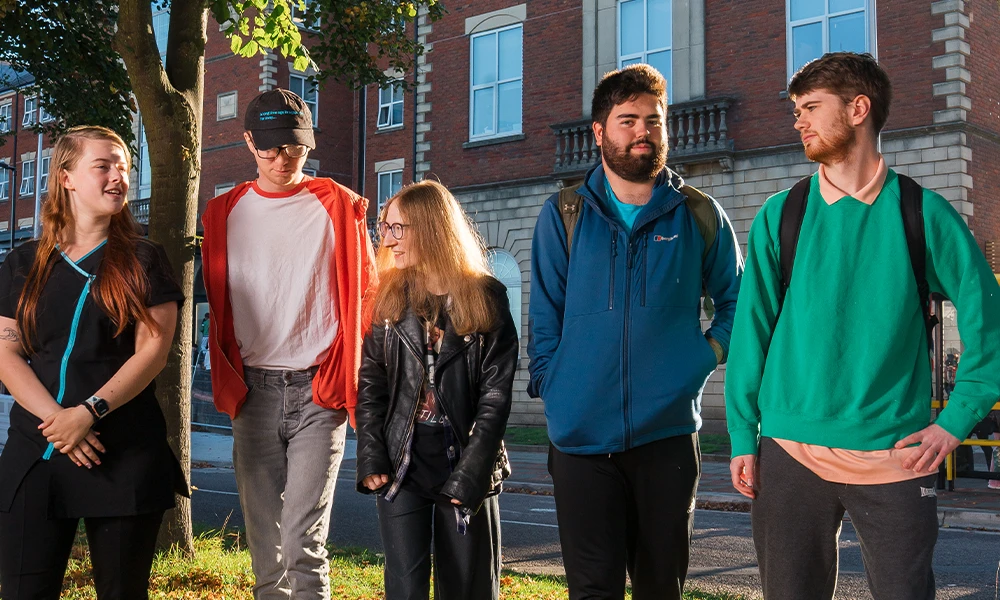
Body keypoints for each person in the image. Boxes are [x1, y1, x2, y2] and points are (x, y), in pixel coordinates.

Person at [725, 52, 1000, 600]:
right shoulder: (782, 215)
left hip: (897, 456)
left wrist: (958, 420)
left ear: (858, 108)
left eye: (809, 108)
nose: (797, 120)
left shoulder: (923, 214)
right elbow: (751, 331)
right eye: (795, 110)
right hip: (789, 450)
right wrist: (742, 435)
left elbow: (988, 321)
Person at [527, 64, 743, 599]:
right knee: (592, 590)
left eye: (653, 119)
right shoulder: (565, 214)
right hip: (579, 439)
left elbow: (740, 302)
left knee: (660, 588)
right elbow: (544, 316)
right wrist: (554, 386)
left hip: (666, 437)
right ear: (600, 132)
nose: (643, 131)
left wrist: (705, 355)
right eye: (628, 120)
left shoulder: (698, 215)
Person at [201, 88, 376, 600]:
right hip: (252, 392)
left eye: (295, 149)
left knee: (303, 539)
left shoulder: (339, 207)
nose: (283, 160)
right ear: (250, 142)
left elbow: (366, 295)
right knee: (265, 546)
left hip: (318, 390)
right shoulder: (223, 214)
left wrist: (348, 375)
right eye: (272, 148)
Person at [0, 125, 187, 599]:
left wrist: (88, 414)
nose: (117, 177)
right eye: (102, 166)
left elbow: (153, 350)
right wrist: (58, 424)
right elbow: (6, 351)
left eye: (123, 167)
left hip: (121, 450)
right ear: (65, 176)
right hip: (39, 448)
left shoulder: (146, 259)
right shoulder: (23, 262)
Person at [355, 180, 519, 600]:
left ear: (429, 228)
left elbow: (495, 400)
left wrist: (471, 474)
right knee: (405, 588)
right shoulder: (389, 297)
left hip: (465, 462)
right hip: (402, 464)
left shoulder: (487, 298)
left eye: (398, 228)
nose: (387, 240)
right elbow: (371, 382)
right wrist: (372, 454)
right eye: (384, 227)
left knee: (467, 587)